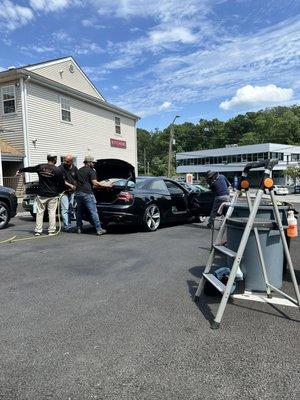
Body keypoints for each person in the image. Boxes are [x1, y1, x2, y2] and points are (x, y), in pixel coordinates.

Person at [17, 153, 64, 236]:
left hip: (41, 194)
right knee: (52, 213)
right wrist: (60, 191)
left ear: (48, 158)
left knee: (39, 212)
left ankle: (38, 230)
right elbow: (61, 183)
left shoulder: (41, 167)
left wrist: (20, 170)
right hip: (52, 195)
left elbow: (31, 169)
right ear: (54, 159)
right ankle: (51, 230)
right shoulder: (57, 170)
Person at [76, 156, 112, 235]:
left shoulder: (79, 170)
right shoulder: (91, 171)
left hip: (78, 193)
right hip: (87, 194)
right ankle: (99, 229)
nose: (94, 164)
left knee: (79, 212)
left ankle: (79, 228)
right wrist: (107, 186)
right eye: (93, 162)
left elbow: (81, 182)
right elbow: (95, 183)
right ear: (89, 163)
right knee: (93, 212)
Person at [58, 154, 78, 232]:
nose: (65, 162)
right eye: (65, 161)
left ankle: (68, 224)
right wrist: (71, 185)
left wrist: (75, 186)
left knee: (70, 209)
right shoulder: (61, 168)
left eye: (67, 161)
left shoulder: (75, 168)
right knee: (65, 209)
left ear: (71, 161)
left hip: (72, 192)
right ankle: (67, 227)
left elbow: (76, 178)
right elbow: (61, 180)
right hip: (63, 192)